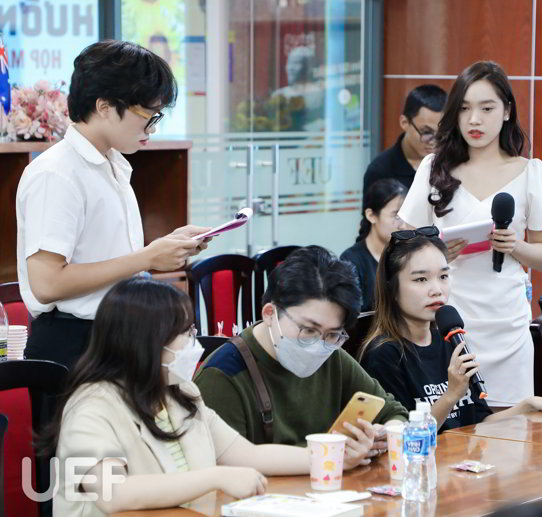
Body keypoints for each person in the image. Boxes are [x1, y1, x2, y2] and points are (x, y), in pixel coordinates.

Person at [38, 278, 328, 517]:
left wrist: (329, 458)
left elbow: (249, 455)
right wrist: (215, 477)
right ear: (147, 341)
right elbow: (114, 494)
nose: (194, 342)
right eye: (186, 332)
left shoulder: (181, 391)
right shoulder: (90, 407)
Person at [17, 40, 210, 369]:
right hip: (74, 344)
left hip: (117, 333)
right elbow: (47, 284)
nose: (153, 127)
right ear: (105, 107)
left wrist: (161, 248)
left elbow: (104, 257)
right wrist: (148, 257)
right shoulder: (56, 173)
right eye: (147, 115)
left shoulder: (112, 164)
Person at [398, 61, 542, 406]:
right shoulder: (433, 167)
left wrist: (515, 245)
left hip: (507, 320)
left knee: (512, 423)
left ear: (507, 111)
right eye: (465, 108)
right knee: (452, 421)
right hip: (447, 314)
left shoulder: (531, 171)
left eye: (487, 109)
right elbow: (403, 247)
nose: (474, 120)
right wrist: (437, 251)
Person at [358, 228, 542, 431]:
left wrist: (526, 407)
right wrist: (451, 395)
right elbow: (403, 436)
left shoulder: (449, 339)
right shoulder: (384, 355)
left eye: (443, 276)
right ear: (391, 288)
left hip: (464, 462)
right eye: (421, 280)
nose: (437, 289)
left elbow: (479, 422)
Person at [194, 246, 408, 450]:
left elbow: (394, 412)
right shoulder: (222, 376)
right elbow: (227, 463)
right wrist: (334, 451)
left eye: (333, 334)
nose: (318, 345)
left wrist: (383, 434)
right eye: (308, 330)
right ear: (270, 313)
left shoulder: (330, 355)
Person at [362, 84, 447, 207]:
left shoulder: (453, 164)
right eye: (426, 132)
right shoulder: (380, 171)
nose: (434, 141)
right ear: (404, 122)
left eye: (441, 133)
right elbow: (371, 218)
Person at [341, 178, 408, 311]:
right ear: (371, 215)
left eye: (405, 215)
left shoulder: (409, 255)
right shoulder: (351, 261)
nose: (403, 225)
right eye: (396, 215)